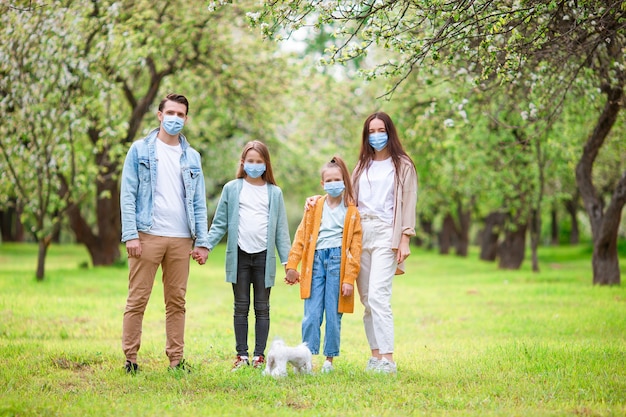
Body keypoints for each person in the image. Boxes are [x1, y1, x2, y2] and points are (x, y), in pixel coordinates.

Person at [306, 112, 417, 374]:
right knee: (367, 299)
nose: (376, 135)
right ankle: (375, 356)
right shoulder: (361, 166)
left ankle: (388, 359)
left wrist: (404, 238)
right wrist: (314, 200)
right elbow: (341, 197)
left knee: (379, 297)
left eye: (381, 130)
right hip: (358, 235)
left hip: (386, 234)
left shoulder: (403, 165)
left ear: (390, 132)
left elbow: (408, 202)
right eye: (371, 131)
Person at [120, 93, 209, 374]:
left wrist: (202, 242)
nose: (175, 118)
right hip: (147, 234)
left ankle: (175, 360)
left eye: (180, 114)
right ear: (159, 115)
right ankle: (131, 359)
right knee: (137, 299)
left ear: (186, 118)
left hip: (182, 238)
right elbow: (128, 194)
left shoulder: (192, 156)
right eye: (170, 113)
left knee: (177, 302)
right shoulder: (140, 150)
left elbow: (199, 202)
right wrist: (130, 234)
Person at [206, 140, 291, 370]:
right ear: (243, 163)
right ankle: (241, 355)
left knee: (262, 307)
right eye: (250, 161)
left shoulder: (274, 193)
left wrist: (288, 262)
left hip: (264, 257)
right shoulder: (232, 189)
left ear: (266, 164)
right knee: (241, 306)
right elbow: (220, 223)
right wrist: (205, 246)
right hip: (240, 256)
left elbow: (282, 231)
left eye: (259, 162)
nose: (254, 165)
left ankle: (258, 356)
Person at [285, 156, 362, 373]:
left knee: (334, 313)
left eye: (337, 179)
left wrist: (349, 279)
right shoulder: (314, 206)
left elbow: (355, 249)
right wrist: (293, 265)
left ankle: (329, 360)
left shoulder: (352, 211)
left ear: (344, 181)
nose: (333, 183)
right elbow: (301, 235)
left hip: (338, 261)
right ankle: (306, 359)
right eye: (328, 180)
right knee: (311, 313)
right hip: (315, 262)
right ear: (322, 184)